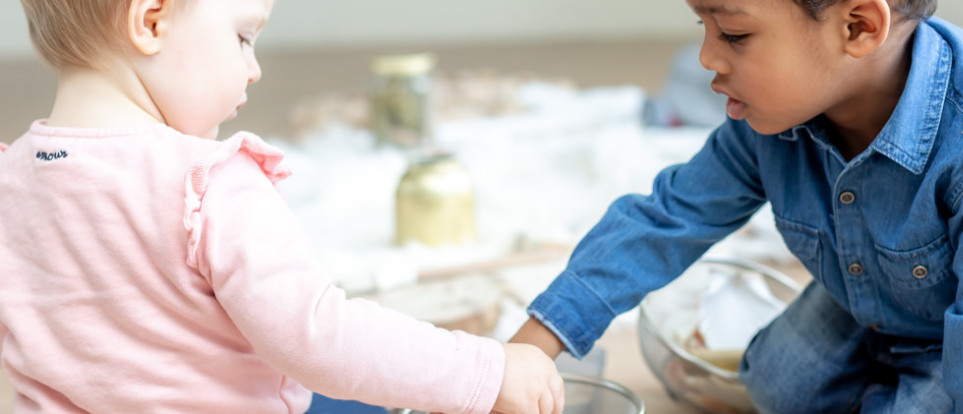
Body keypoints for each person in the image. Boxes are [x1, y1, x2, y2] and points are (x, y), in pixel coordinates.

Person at [510, 0, 963, 412]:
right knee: (774, 385)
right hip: (881, 290)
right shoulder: (767, 123)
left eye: (732, 33)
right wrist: (526, 350)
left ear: (858, 27)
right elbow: (666, 218)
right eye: (702, 27)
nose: (706, 59)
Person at [0, 0, 565, 413]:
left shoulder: (11, 180)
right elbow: (322, 338)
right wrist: (487, 372)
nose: (255, 67)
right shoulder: (209, 185)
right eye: (243, 37)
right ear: (151, 21)